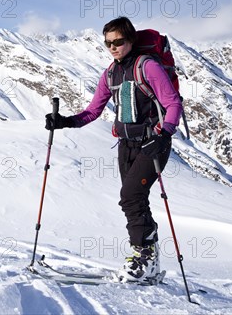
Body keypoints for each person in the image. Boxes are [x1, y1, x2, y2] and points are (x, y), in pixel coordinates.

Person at [45, 16, 183, 282]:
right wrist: (64, 122)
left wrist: (165, 135)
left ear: (130, 39)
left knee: (130, 196)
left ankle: (143, 256)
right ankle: (149, 258)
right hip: (126, 145)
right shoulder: (110, 73)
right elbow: (92, 111)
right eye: (108, 43)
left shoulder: (148, 67)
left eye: (118, 41)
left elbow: (173, 103)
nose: (113, 47)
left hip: (153, 143)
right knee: (135, 199)